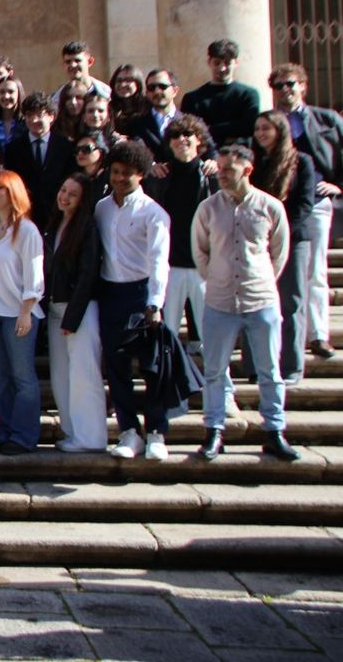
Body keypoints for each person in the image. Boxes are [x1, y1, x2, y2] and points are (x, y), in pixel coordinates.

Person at [193, 144, 299, 462]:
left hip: (260, 299)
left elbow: (278, 252)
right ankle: (214, 430)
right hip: (219, 299)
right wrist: (216, 277)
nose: (222, 175)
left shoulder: (270, 207)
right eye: (221, 169)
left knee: (269, 370)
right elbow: (200, 251)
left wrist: (260, 279)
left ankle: (274, 431)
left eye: (229, 169)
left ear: (247, 170)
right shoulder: (209, 208)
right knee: (214, 370)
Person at [94, 139, 173, 460]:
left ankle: (156, 432)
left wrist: (155, 302)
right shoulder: (101, 208)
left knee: (152, 368)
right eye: (115, 172)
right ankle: (129, 431)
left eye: (127, 173)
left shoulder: (153, 213)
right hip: (110, 293)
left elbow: (159, 261)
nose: (119, 178)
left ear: (141, 174)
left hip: (142, 294)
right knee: (117, 367)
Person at [270, 62, 343, 361]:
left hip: (314, 202)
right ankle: (286, 337)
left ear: (303, 85)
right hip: (278, 204)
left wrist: (339, 185)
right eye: (279, 86)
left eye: (290, 84)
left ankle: (318, 334)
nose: (285, 90)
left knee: (314, 271)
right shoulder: (270, 123)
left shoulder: (325, 119)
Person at [0, 170, 44, 455]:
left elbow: (35, 275)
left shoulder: (26, 230)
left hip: (18, 313)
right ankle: (5, 431)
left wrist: (26, 311)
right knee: (2, 378)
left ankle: (24, 436)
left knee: (22, 377)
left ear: (13, 192)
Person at [44, 173, 107, 453]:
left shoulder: (87, 228)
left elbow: (87, 276)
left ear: (82, 200)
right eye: (62, 189)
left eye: (72, 193)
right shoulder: (56, 224)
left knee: (84, 375)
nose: (64, 196)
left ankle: (91, 438)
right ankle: (72, 432)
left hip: (79, 311)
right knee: (61, 375)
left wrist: (72, 318)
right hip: (56, 307)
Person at [252, 110, 317, 382]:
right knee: (258, 306)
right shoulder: (255, 163)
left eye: (267, 128)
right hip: (260, 241)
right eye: (258, 129)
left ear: (280, 130)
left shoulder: (301, 162)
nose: (261, 133)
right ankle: (260, 366)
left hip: (293, 238)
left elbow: (305, 203)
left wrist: (280, 230)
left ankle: (291, 366)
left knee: (291, 303)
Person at [145, 115, 214, 355]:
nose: (181, 140)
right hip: (170, 265)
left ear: (199, 141)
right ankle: (170, 390)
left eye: (187, 135)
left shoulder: (210, 175)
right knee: (169, 335)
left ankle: (220, 392)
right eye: (175, 136)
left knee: (211, 335)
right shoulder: (160, 177)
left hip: (202, 265)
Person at [4, 91, 74, 228]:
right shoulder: (13, 149)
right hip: (25, 216)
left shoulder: (65, 147)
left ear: (51, 117)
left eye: (39, 115)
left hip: (58, 215)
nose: (34, 120)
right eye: (29, 115)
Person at [183, 38, 261, 147]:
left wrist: (209, 129)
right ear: (209, 62)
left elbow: (248, 127)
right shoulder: (193, 98)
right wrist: (233, 127)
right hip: (207, 158)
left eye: (227, 63)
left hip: (240, 155)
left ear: (236, 63)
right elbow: (191, 131)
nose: (222, 68)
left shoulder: (248, 94)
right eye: (217, 63)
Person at [122, 68, 182, 165]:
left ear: (175, 91)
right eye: (151, 88)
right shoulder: (136, 123)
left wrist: (211, 162)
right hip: (151, 177)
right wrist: (151, 165)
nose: (157, 91)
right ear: (147, 93)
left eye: (162, 86)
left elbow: (208, 149)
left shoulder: (189, 122)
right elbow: (135, 151)